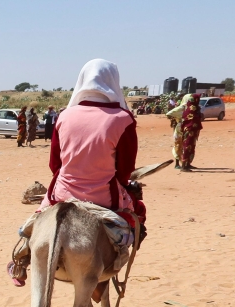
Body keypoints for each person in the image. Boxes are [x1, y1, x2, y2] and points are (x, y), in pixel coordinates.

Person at [8, 59, 145, 286]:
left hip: (62, 192)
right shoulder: (124, 120)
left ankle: (21, 257)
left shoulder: (64, 116)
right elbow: (124, 171)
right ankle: (120, 256)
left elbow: (55, 164)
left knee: (37, 219)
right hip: (103, 197)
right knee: (137, 212)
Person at [167, 93, 203, 170]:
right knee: (179, 146)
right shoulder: (184, 107)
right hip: (182, 129)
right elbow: (169, 114)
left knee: (188, 146)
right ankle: (179, 164)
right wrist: (179, 119)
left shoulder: (195, 108)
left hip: (187, 129)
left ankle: (187, 163)